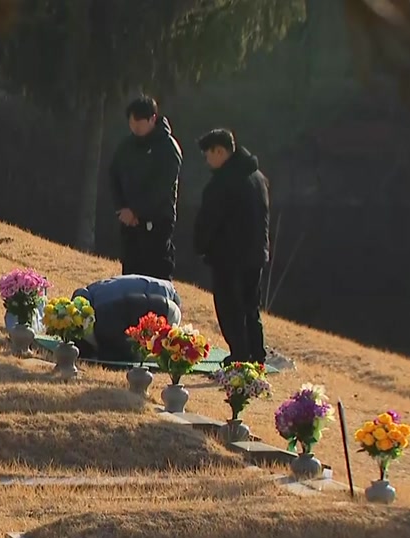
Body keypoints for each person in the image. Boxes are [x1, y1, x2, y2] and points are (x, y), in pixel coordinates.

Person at [193, 128, 270, 365]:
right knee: (250, 307)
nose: (207, 161)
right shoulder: (257, 178)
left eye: (208, 154)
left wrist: (201, 245)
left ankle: (239, 355)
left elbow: (209, 220)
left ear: (220, 151)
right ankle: (257, 354)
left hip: (228, 257)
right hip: (255, 254)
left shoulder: (222, 183)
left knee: (230, 309)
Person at [108, 95, 183, 281]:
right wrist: (122, 208)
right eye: (131, 123)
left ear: (152, 119)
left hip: (157, 222)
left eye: (139, 123)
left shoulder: (167, 147)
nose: (135, 128)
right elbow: (114, 175)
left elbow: (161, 187)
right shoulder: (127, 146)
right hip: (129, 224)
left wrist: (136, 211)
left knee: (156, 276)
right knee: (130, 276)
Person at [71, 275, 182, 363]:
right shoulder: (165, 287)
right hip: (164, 304)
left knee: (110, 349)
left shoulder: (93, 293)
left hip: (108, 309)